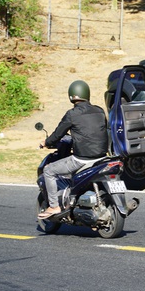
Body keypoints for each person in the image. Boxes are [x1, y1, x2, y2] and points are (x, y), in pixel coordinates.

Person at [38, 80, 108, 219]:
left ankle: (54, 206)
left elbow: (58, 134)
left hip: (81, 159)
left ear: (71, 96)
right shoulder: (99, 110)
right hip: (102, 157)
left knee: (49, 170)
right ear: (87, 94)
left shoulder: (72, 114)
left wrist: (46, 142)